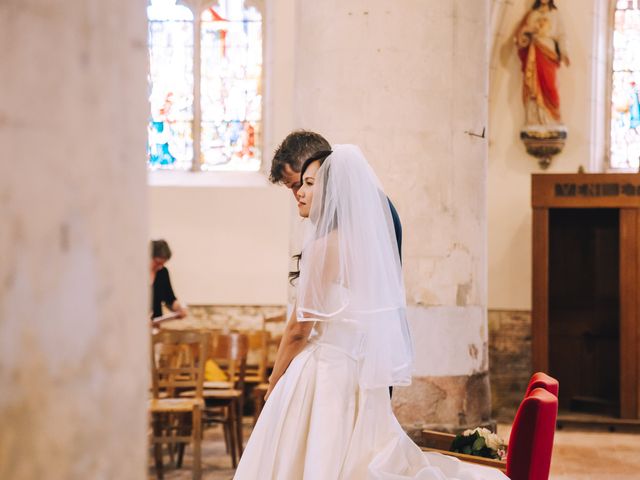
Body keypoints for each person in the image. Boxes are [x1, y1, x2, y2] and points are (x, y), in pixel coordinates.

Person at [233, 145, 508, 479]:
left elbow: (298, 330)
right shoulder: (362, 244)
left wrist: (275, 380)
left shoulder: (322, 247)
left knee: (314, 451)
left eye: (307, 183)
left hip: (322, 369)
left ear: (330, 191)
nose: (300, 193)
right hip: (354, 369)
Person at [514, 0, 570, 126]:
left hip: (548, 52)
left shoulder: (555, 14)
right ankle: (535, 118)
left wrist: (564, 52)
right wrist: (527, 31)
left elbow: (562, 35)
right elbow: (520, 39)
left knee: (550, 86)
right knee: (533, 86)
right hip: (534, 52)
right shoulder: (532, 14)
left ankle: (552, 119)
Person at [150, 239, 187, 320]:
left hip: (155, 324)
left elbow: (169, 299)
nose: (160, 267)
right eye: (157, 263)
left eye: (163, 264)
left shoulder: (162, 272)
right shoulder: (137, 275)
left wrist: (179, 309)